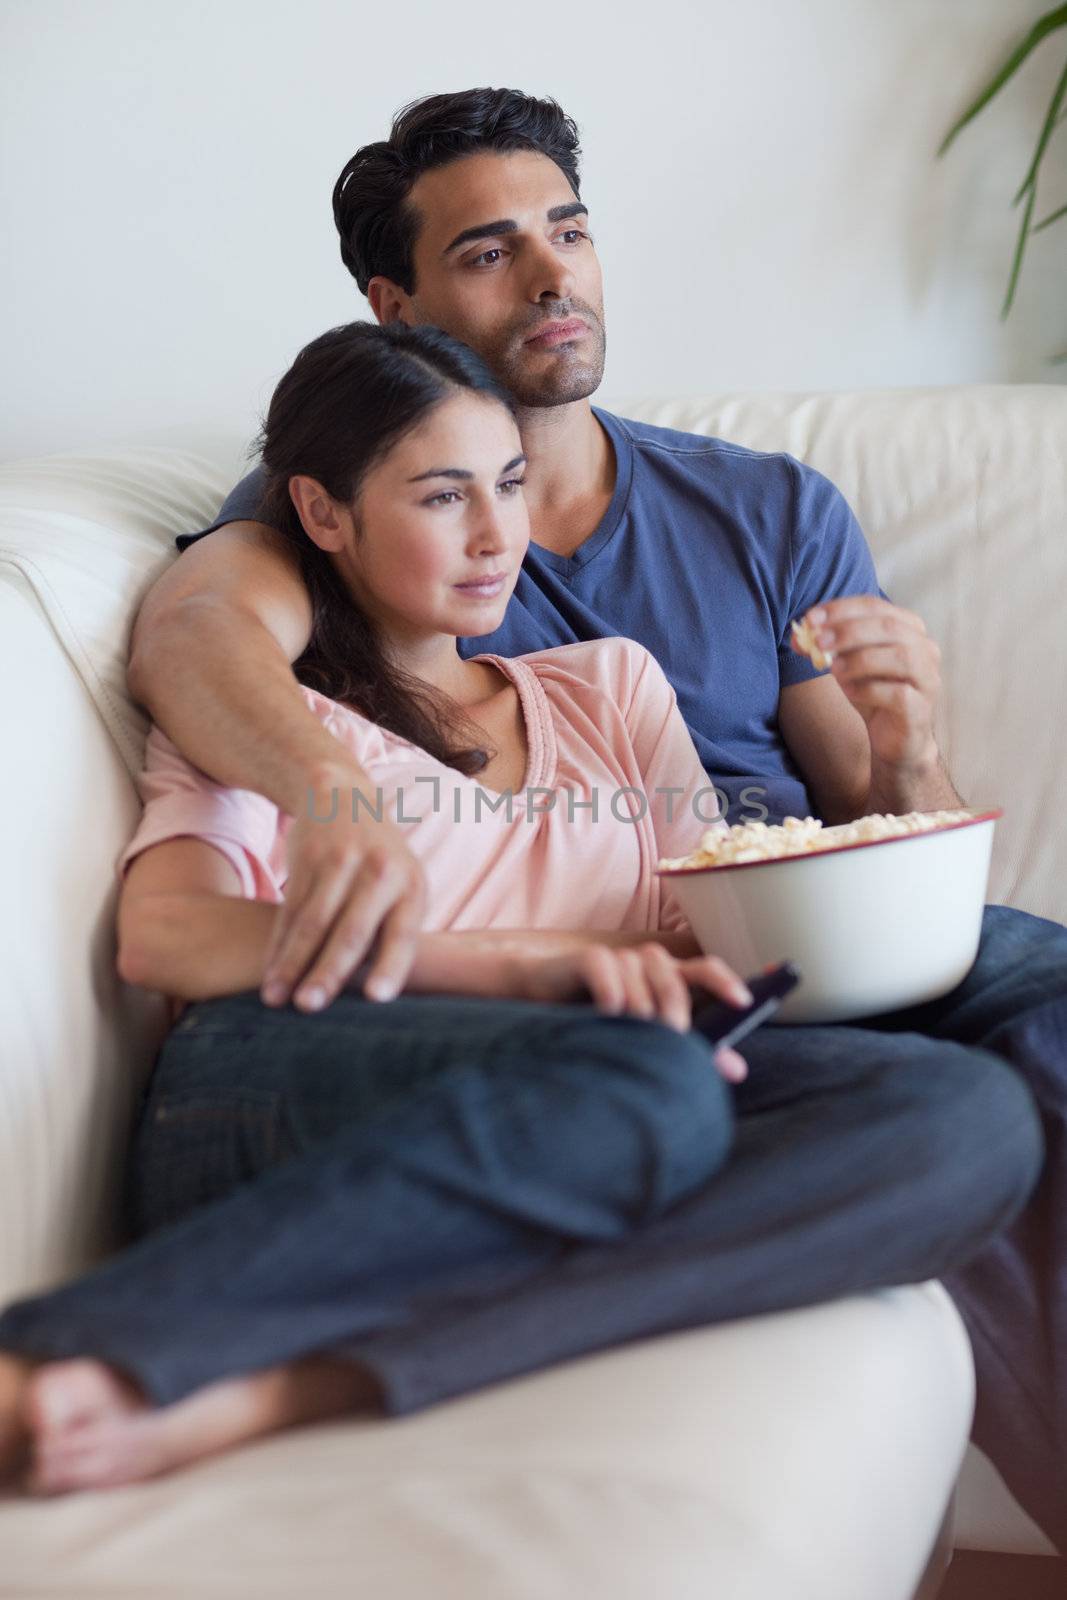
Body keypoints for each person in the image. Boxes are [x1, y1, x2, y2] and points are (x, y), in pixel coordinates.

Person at [95, 89, 1067, 1545]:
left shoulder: (755, 517)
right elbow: (196, 638)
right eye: (488, 252)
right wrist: (335, 797)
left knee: (1030, 1009)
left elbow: (865, 818)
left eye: (569, 230)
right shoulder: (335, 525)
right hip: (571, 988)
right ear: (396, 299)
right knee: (765, 1091)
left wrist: (913, 753)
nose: (553, 275)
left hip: (757, 914)